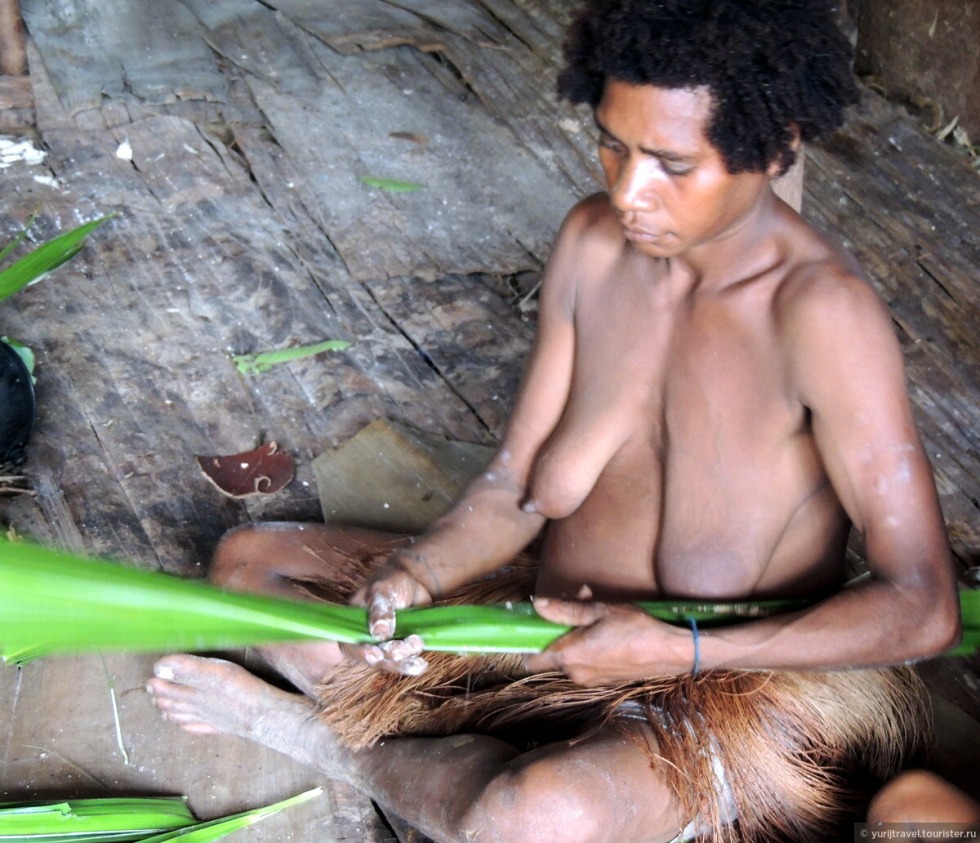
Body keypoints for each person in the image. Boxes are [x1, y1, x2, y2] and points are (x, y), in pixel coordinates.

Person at [147, 1, 962, 841]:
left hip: (717, 685)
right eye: (614, 143)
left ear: (772, 148)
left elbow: (924, 607)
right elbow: (515, 485)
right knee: (246, 571)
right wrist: (417, 578)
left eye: (672, 164)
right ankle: (463, 755)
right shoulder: (593, 243)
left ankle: (319, 737)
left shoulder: (824, 318)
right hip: (545, 630)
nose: (628, 191)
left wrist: (681, 652)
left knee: (528, 815)